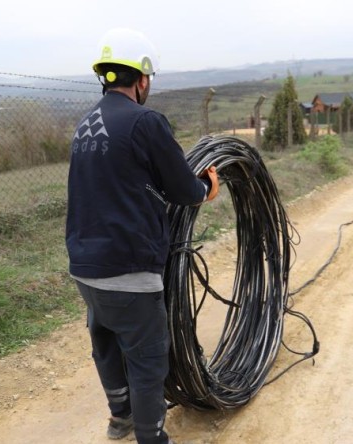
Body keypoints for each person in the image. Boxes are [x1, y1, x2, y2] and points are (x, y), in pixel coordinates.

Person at [65, 28, 219, 444]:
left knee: (107, 345)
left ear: (106, 76)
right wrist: (207, 187)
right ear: (143, 78)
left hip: (86, 266)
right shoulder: (145, 121)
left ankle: (121, 418)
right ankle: (151, 438)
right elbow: (183, 190)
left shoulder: (86, 124)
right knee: (148, 360)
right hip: (129, 268)